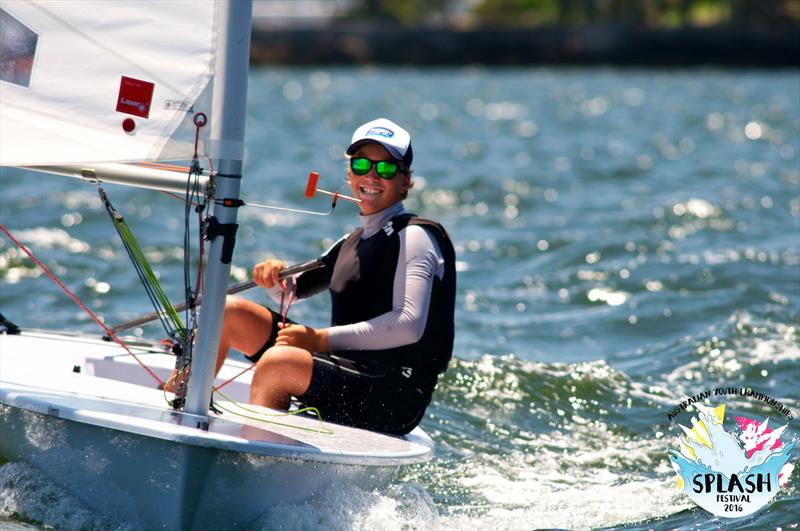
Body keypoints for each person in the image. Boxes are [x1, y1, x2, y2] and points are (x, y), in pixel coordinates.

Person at [171, 118, 456, 435]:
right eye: (361, 164)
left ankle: (259, 463)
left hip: (394, 393)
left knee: (278, 363)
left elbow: (409, 323)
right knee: (228, 312)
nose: (372, 175)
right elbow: (290, 292)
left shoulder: (415, 235)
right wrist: (273, 276)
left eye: (386, 168)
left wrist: (318, 339)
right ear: (349, 176)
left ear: (405, 181)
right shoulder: (351, 243)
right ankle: (175, 414)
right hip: (344, 372)